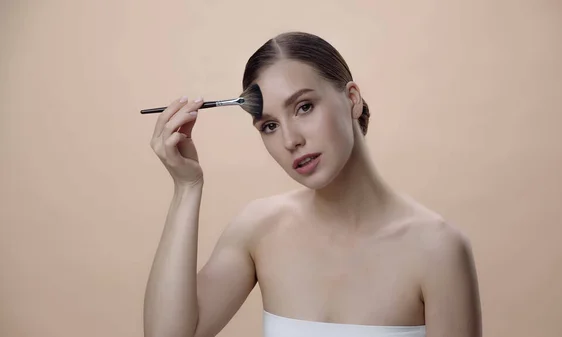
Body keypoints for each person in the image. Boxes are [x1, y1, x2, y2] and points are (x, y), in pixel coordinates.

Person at [143, 32, 482, 337]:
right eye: (269, 126)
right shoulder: (261, 229)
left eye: (304, 107)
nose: (291, 140)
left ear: (352, 99)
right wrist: (186, 188)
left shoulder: (437, 250)